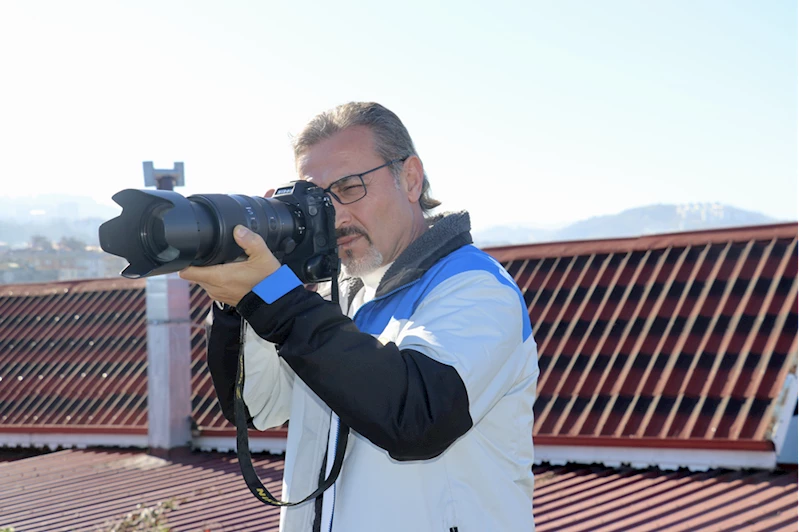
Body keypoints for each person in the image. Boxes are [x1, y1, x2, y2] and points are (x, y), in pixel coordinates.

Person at [180, 102, 540, 532]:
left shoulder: (476, 288)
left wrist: (278, 297)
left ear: (409, 178)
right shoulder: (337, 299)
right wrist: (242, 295)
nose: (336, 216)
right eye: (318, 199)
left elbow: (415, 417)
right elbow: (258, 407)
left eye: (349, 188)